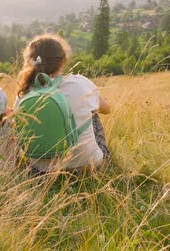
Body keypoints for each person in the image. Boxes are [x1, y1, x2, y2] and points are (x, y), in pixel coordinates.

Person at [15, 34, 111, 173]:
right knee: (94, 113)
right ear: (62, 61)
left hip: (41, 170)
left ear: (32, 62)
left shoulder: (24, 93)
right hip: (88, 166)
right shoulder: (80, 83)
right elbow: (107, 109)